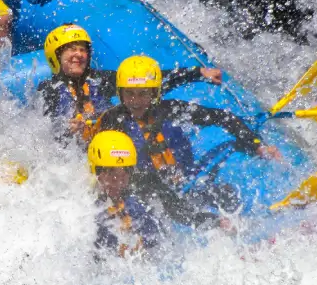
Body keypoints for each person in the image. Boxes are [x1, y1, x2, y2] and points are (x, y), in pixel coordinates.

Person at [93, 55, 281, 225]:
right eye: (130, 93)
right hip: (150, 190)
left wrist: (258, 146)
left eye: (143, 93)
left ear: (154, 93)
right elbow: (102, 163)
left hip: (187, 181)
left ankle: (254, 225)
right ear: (120, 93)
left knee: (227, 193)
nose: (135, 100)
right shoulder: (113, 120)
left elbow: (222, 117)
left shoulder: (170, 109)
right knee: (175, 208)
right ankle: (217, 224)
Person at [37, 24, 223, 141]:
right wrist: (68, 130)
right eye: (71, 50)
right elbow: (48, 132)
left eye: (82, 50)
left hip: (112, 142)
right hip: (76, 153)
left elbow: (146, 81)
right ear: (56, 56)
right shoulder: (48, 90)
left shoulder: (100, 80)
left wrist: (197, 72)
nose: (78, 54)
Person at [88, 130, 162, 257]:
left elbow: (157, 246)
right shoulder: (81, 203)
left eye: (125, 173)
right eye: (111, 173)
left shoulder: (138, 209)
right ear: (97, 172)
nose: (119, 182)